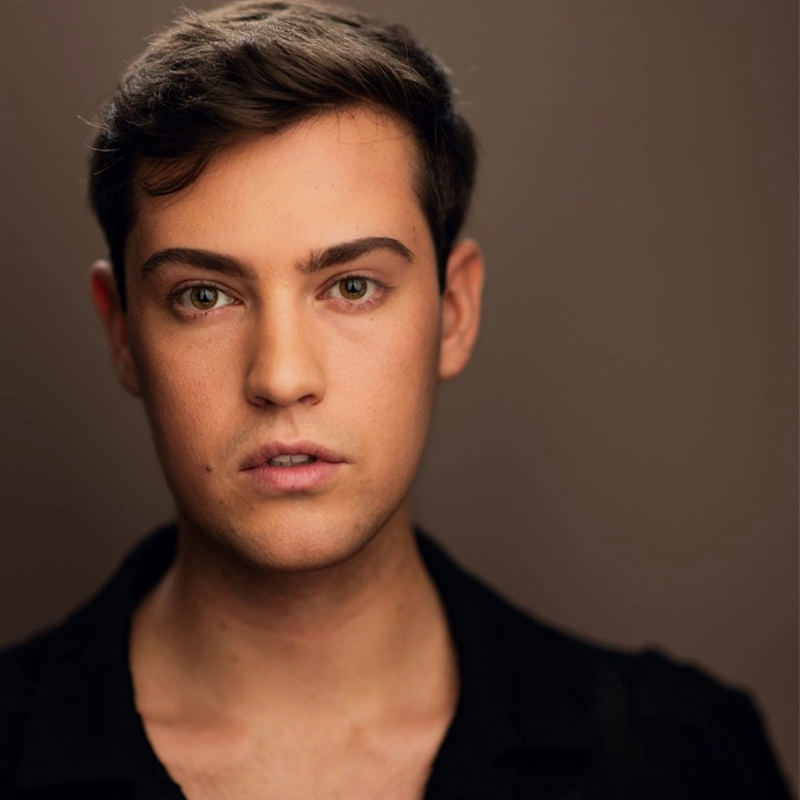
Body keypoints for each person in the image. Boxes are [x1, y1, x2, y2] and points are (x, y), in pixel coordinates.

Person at [0, 1, 792, 798]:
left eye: (352, 287)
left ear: (454, 312)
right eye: (204, 296)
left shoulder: (685, 762)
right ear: (123, 333)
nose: (281, 376)